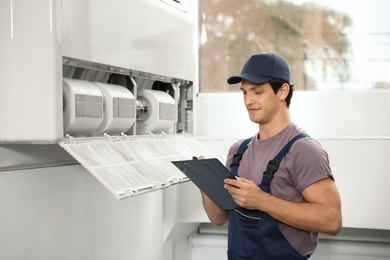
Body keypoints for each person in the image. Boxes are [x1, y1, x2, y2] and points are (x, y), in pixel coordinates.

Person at [199, 52, 342, 259]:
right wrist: (206, 186)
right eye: (244, 92)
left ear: (283, 91)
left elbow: (332, 220)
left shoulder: (303, 150)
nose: (248, 101)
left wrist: (261, 201)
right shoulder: (238, 151)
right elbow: (219, 219)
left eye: (257, 91)